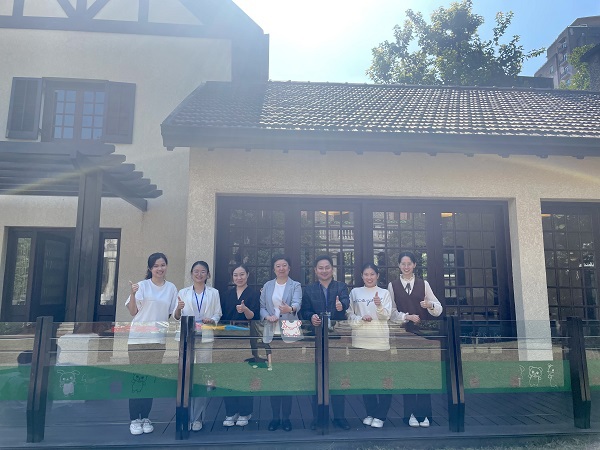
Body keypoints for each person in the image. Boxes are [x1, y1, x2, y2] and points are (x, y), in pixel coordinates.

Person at [389, 250, 443, 429]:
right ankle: (410, 414)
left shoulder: (424, 284)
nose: (406, 267)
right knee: (408, 374)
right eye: (403, 264)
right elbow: (391, 312)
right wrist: (407, 316)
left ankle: (425, 414)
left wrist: (429, 305)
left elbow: (439, 309)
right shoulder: (392, 286)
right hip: (404, 337)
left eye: (409, 264)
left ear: (414, 265)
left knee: (424, 373)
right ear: (399, 265)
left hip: (422, 337)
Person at [126, 252, 178, 436]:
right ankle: (135, 419)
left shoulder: (171, 288)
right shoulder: (142, 285)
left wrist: (180, 308)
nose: (159, 268)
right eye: (156, 266)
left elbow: (174, 314)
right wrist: (132, 294)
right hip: (138, 339)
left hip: (158, 340)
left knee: (150, 378)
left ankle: (145, 417)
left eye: (162, 265)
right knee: (137, 379)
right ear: (150, 268)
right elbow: (133, 311)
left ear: (166, 266)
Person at [301, 255, 350, 430]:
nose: (324, 271)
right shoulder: (309, 289)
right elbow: (304, 310)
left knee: (338, 378)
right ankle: (318, 418)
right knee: (317, 379)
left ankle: (340, 417)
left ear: (332, 269)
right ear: (315, 271)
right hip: (316, 340)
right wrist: (311, 317)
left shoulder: (341, 286)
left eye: (327, 267)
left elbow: (345, 302)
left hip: (336, 339)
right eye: (320, 268)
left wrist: (341, 306)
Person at [173, 261, 222, 432]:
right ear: (191, 273)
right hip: (187, 338)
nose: (199, 274)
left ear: (208, 274)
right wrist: (178, 309)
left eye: (203, 271)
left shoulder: (214, 292)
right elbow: (176, 316)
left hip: (205, 337)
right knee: (185, 376)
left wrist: (212, 320)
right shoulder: (183, 292)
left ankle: (198, 417)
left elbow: (218, 313)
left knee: (201, 375)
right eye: (196, 271)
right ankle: (184, 417)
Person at [260, 255, 302, 432]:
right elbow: (262, 307)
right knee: (273, 377)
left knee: (288, 376)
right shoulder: (268, 285)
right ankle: (275, 417)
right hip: (271, 334)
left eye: (284, 265)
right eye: (278, 265)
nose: (281, 268)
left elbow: (297, 303)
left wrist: (289, 309)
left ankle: (286, 418)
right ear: (274, 269)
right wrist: (267, 316)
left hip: (289, 332)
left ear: (289, 268)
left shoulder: (295, 285)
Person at [348, 262, 392, 429]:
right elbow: (349, 316)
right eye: (366, 274)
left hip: (380, 342)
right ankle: (371, 413)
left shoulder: (384, 293)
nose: (369, 277)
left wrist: (379, 305)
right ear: (361, 276)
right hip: (360, 342)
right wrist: (361, 319)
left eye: (372, 274)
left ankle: (381, 415)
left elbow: (386, 316)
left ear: (377, 276)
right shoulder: (355, 292)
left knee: (384, 380)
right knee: (366, 380)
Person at [219, 264, 260, 427]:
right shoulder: (226, 294)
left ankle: (245, 412)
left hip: (246, 338)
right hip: (228, 339)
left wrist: (245, 309)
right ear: (232, 277)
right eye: (236, 275)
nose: (239, 278)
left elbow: (255, 316)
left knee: (245, 374)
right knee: (228, 374)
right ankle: (230, 412)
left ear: (248, 275)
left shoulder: (254, 294)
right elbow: (221, 316)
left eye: (242, 274)